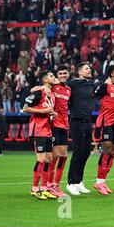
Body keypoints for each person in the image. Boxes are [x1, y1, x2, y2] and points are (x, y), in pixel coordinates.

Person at [31, 66, 71, 197]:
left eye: (65, 73)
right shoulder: (51, 87)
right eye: (59, 74)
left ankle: (55, 185)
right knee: (52, 157)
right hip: (52, 125)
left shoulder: (68, 89)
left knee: (63, 156)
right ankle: (46, 185)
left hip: (64, 124)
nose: (62, 75)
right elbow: (34, 90)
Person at [22, 70, 58, 200]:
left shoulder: (52, 95)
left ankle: (44, 188)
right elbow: (25, 108)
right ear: (44, 80)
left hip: (48, 131)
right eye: (51, 76)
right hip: (38, 130)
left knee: (48, 160)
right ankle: (34, 188)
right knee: (41, 160)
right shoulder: (38, 93)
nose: (54, 77)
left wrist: (52, 114)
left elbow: (49, 111)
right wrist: (43, 111)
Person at [93, 65, 114, 195]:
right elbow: (93, 94)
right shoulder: (105, 87)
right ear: (111, 74)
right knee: (106, 151)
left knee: (113, 152)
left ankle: (103, 181)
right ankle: (99, 182)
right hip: (104, 122)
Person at [66, 62, 94, 196]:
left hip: (88, 121)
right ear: (80, 72)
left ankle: (79, 181)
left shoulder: (91, 84)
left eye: (90, 68)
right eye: (86, 68)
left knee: (86, 152)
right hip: (76, 121)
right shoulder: (73, 84)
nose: (90, 70)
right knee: (78, 151)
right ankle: (70, 182)